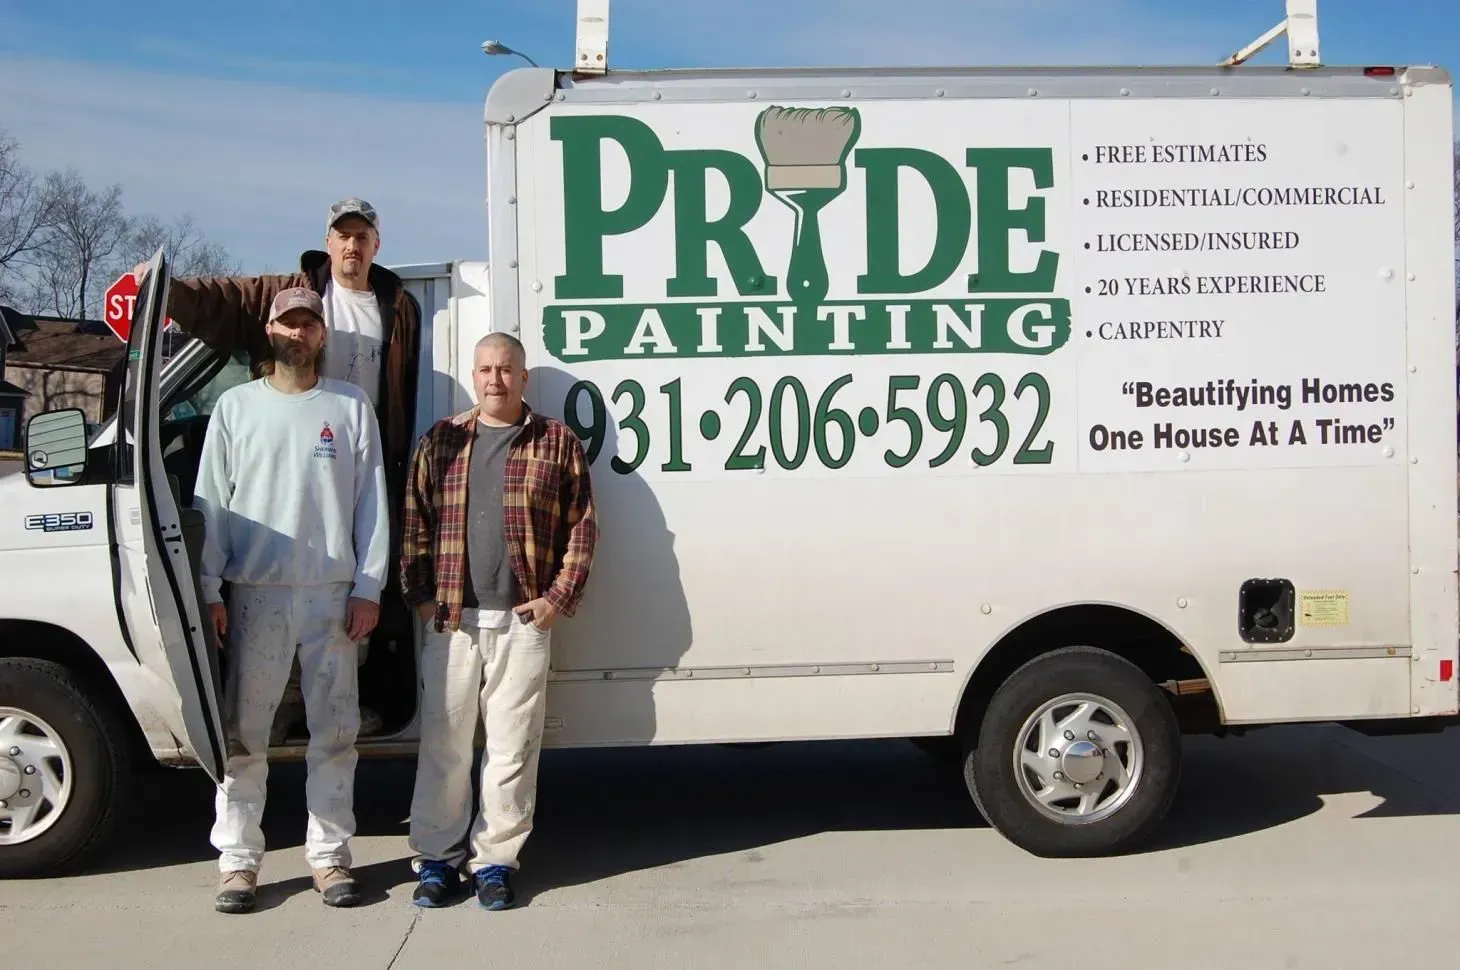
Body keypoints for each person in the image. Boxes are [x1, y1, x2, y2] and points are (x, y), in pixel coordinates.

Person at [135, 197, 419, 741]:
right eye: (342, 235)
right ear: (327, 242)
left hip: (351, 462)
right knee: (253, 712)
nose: (352, 245)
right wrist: (167, 290)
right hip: (283, 501)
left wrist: (369, 583)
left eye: (362, 236)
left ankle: (333, 716)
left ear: (376, 245)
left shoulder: (398, 306)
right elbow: (227, 299)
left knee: (343, 655)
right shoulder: (294, 294)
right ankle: (286, 714)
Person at [194, 286, 391, 915]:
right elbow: (211, 503)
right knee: (244, 735)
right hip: (256, 593)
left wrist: (368, 586)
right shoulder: (236, 407)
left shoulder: (349, 406)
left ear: (321, 334)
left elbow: (371, 504)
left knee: (334, 733)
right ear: (271, 330)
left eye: (309, 324)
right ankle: (238, 861)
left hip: (331, 595)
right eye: (288, 323)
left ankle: (329, 856)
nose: (298, 334)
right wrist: (210, 588)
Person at [398, 331, 598, 911]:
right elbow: (414, 523)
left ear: (523, 377)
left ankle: (494, 862)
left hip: (522, 621)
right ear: (474, 375)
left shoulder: (555, 442)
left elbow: (583, 527)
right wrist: (421, 599)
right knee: (445, 745)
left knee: (512, 747)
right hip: (451, 620)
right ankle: (437, 860)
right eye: (485, 369)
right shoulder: (441, 441)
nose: (495, 379)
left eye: (506, 369)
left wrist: (556, 599)